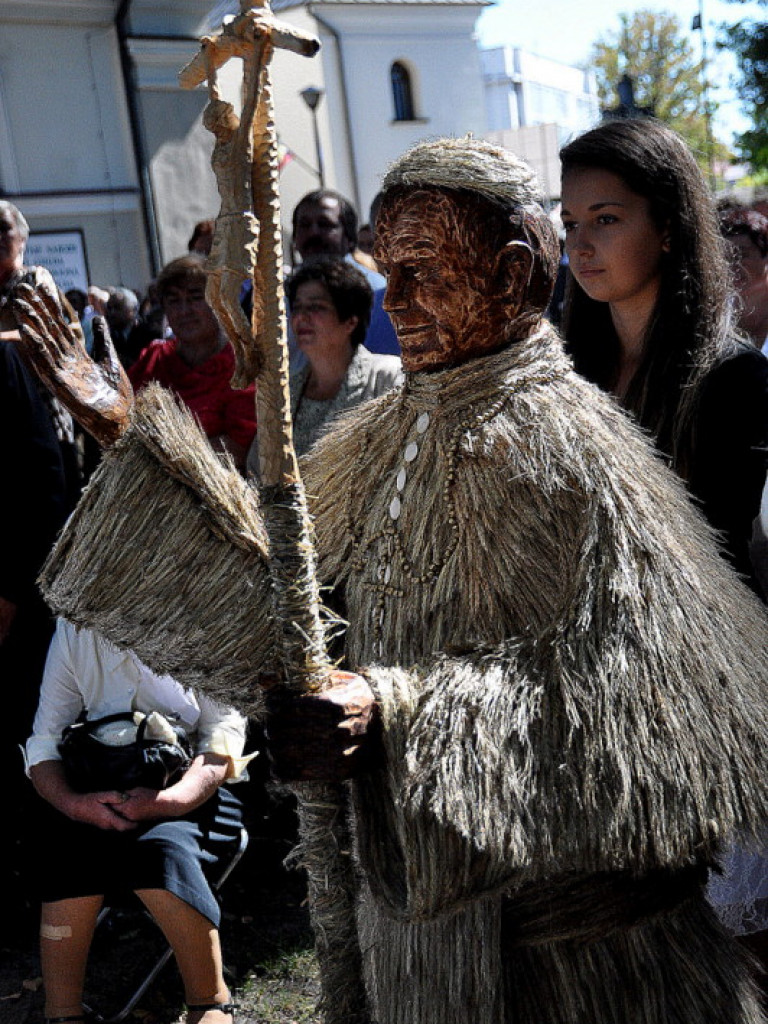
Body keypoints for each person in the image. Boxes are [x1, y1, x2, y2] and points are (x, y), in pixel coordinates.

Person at [19, 137, 768, 1024]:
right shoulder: (388, 435)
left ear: (514, 274)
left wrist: (397, 709)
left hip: (577, 958)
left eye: (425, 270)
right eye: (388, 270)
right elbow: (285, 590)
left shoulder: (579, 445)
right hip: (424, 941)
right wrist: (124, 429)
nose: (395, 300)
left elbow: (675, 691)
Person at [559, 118, 768, 589]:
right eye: (570, 223)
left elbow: (712, 548)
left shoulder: (735, 374)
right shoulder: (563, 370)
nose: (580, 245)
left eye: (605, 219)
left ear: (668, 227)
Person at [26, 618, 248, 1024]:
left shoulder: (208, 615)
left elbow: (223, 733)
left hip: (190, 787)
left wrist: (172, 800)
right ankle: (62, 1013)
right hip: (100, 787)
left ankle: (210, 1001)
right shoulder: (75, 626)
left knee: (160, 850)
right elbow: (45, 739)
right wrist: (75, 804)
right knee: (67, 846)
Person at [0, 200, 83, 940]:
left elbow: (39, 480)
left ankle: (52, 886)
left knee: (32, 734)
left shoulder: (9, 347)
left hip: (20, 597)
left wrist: (11, 593)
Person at [245, 256, 401, 476]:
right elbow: (257, 471)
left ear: (350, 321)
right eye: (297, 308)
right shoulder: (283, 395)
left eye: (316, 307)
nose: (301, 317)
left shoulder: (388, 379)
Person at [129, 254, 256, 472]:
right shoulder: (153, 359)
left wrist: (165, 456)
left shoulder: (241, 366)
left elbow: (239, 448)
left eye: (195, 298)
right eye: (174, 300)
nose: (184, 311)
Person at [291, 189, 399, 356]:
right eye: (304, 225)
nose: (313, 233)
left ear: (349, 238)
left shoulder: (375, 292)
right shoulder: (278, 295)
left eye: (325, 224)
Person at [719, 205, 768, 352]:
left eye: (742, 255)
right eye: (724, 258)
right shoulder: (716, 315)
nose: (732, 265)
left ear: (765, 256)